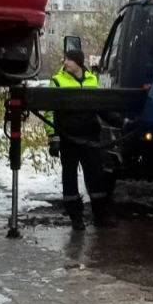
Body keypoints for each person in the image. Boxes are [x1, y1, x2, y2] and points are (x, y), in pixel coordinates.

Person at [49, 47, 115, 230]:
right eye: (65, 59)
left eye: (68, 59)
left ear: (78, 62)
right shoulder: (57, 81)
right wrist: (53, 136)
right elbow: (49, 111)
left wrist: (121, 121)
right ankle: (76, 218)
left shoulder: (92, 80)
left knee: (96, 177)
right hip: (68, 139)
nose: (65, 62)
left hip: (90, 137)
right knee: (69, 178)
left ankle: (100, 216)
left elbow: (101, 107)